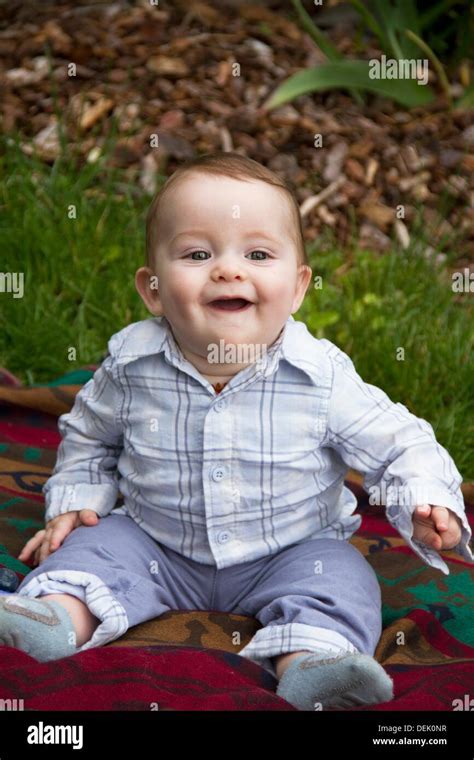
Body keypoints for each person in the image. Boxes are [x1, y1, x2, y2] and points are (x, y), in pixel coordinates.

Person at [2, 152, 472, 711]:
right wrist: (74, 501)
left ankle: (315, 661)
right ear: (152, 289)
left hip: (291, 551)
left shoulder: (320, 378)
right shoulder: (131, 366)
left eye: (257, 254)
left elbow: (402, 441)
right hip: (155, 541)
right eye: (198, 254)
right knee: (92, 550)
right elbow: (88, 434)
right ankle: (53, 616)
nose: (228, 269)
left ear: (297, 288)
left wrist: (424, 499)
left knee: (343, 579)